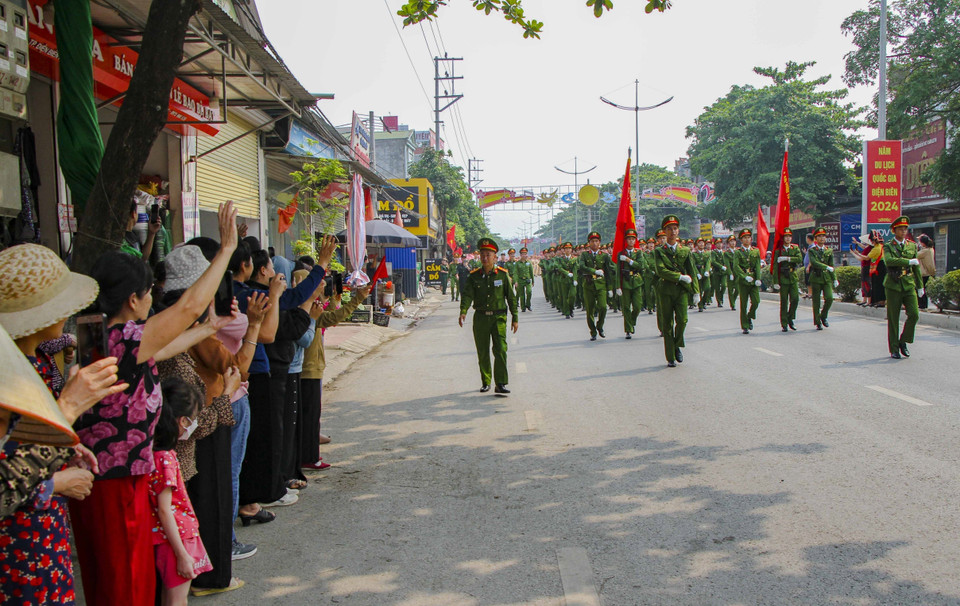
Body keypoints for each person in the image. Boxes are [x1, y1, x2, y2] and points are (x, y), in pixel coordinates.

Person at [70, 201, 238, 606]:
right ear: (132, 299)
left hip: (115, 480)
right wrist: (227, 249)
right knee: (124, 586)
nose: (153, 299)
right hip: (114, 484)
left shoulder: (106, 337)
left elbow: (165, 345)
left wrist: (207, 330)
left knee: (126, 583)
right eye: (149, 292)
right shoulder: (122, 339)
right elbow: (188, 307)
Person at [0, 244, 128, 605]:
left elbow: (24, 442)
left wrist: (67, 445)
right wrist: (56, 482)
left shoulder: (33, 361)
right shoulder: (10, 378)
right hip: (18, 552)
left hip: (40, 537)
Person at [149, 378, 215, 605]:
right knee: (177, 600)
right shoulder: (165, 458)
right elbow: (165, 510)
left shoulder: (152, 453)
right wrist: (182, 555)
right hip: (178, 538)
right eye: (193, 418)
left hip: (167, 538)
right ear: (182, 420)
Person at [299, 280, 372, 471]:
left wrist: (333, 299)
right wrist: (357, 299)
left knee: (310, 415)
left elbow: (329, 316)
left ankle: (309, 448)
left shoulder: (305, 308)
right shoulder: (306, 311)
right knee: (309, 415)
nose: (321, 285)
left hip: (309, 367)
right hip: (308, 369)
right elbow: (332, 318)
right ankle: (309, 456)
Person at [458, 238, 519, 395]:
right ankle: (486, 382)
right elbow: (467, 295)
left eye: (488, 255)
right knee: (483, 351)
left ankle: (500, 383)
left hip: (498, 318)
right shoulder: (474, 276)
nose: (485, 258)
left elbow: (511, 298)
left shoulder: (503, 276)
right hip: (481, 318)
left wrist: (515, 318)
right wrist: (463, 310)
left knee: (500, 350)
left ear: (495, 257)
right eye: (482, 255)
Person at [653, 216, 700, 367]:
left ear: (678, 231)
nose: (672, 231)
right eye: (669, 229)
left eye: (675, 228)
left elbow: (692, 271)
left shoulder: (685, 251)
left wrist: (696, 291)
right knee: (667, 324)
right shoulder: (659, 251)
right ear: (664, 232)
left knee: (683, 320)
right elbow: (661, 270)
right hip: (666, 290)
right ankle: (670, 356)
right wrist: (679, 277)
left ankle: (677, 343)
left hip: (681, 292)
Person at [884, 216, 923, 359]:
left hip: (908, 283)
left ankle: (903, 340)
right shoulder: (888, 245)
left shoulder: (912, 245)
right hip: (893, 285)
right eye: (901, 229)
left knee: (914, 314)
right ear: (894, 230)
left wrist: (920, 286)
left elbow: (916, 267)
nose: (904, 231)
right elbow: (889, 261)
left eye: (905, 229)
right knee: (893, 318)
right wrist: (908, 261)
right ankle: (894, 348)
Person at [578, 232, 610, 341]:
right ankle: (593, 331)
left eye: (597, 241)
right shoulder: (585, 255)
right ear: (589, 243)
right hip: (589, 285)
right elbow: (582, 266)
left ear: (600, 242)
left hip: (601, 285)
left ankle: (600, 326)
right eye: (592, 241)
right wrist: (594, 271)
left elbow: (609, 272)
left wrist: (610, 288)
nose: (595, 243)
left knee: (603, 307)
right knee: (590, 310)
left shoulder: (604, 255)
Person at [772, 228, 803, 331]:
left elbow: (799, 259)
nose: (788, 238)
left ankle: (790, 317)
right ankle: (784, 323)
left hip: (792, 276)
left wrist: (787, 258)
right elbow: (776, 267)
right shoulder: (779, 250)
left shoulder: (795, 248)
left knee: (795, 299)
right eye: (786, 236)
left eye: (789, 236)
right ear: (783, 238)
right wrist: (775, 281)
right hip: (783, 278)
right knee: (784, 301)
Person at [807, 227, 837, 330]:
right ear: (816, 238)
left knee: (829, 298)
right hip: (816, 277)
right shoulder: (812, 251)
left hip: (826, 278)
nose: (822, 238)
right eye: (819, 236)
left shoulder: (829, 250)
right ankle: (817, 321)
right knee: (816, 301)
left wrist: (835, 278)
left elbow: (831, 265)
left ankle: (823, 316)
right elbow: (814, 263)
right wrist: (825, 267)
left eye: (823, 236)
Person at [732, 229, 761, 334]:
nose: (747, 239)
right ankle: (745, 325)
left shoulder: (755, 251)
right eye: (744, 238)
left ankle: (750, 316)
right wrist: (744, 276)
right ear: (741, 240)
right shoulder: (738, 252)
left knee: (756, 301)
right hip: (743, 281)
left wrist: (758, 278)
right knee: (743, 304)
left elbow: (757, 265)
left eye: (748, 237)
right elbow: (736, 266)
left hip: (753, 280)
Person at [616, 229, 644, 339]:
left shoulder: (639, 252)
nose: (631, 241)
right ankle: (628, 329)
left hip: (636, 281)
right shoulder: (620, 253)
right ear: (626, 240)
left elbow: (640, 266)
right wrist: (618, 286)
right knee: (626, 307)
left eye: (633, 239)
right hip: (625, 282)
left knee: (637, 306)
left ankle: (632, 322)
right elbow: (618, 271)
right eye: (629, 239)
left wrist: (628, 260)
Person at [917, 234, 936, 309]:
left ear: (923, 243)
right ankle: (923, 305)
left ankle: (922, 305)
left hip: (923, 273)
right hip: (927, 273)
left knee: (920, 289)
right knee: (923, 289)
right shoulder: (930, 249)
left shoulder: (925, 251)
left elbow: (914, 255)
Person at [515, 247, 534, 312]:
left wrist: (533, 281)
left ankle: (528, 304)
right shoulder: (517, 263)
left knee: (529, 292)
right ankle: (523, 307)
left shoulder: (529, 262)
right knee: (521, 295)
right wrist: (516, 281)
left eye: (525, 254)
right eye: (523, 254)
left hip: (527, 280)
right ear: (520, 255)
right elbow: (515, 273)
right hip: (520, 280)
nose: (525, 255)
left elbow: (531, 272)